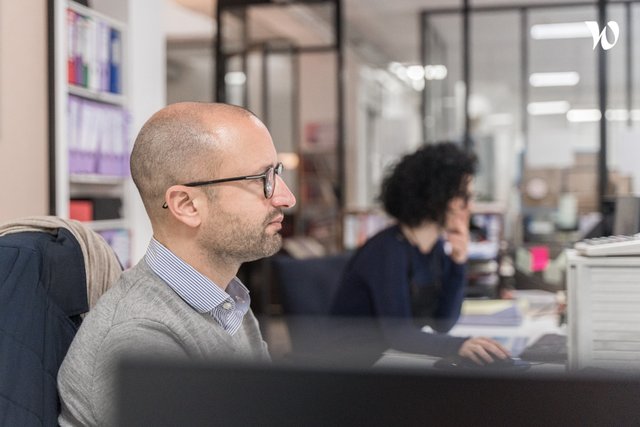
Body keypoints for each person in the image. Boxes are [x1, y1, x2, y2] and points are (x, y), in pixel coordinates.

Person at [57, 102, 296, 426]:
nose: (285, 197)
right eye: (263, 178)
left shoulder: (227, 302)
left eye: (277, 173)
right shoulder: (139, 340)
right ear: (186, 205)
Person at [330, 142, 510, 364]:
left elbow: (442, 323)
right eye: (465, 197)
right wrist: (460, 345)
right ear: (437, 198)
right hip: (356, 369)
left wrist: (458, 262)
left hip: (393, 361)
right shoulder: (387, 251)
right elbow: (400, 334)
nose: (470, 207)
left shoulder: (433, 249)